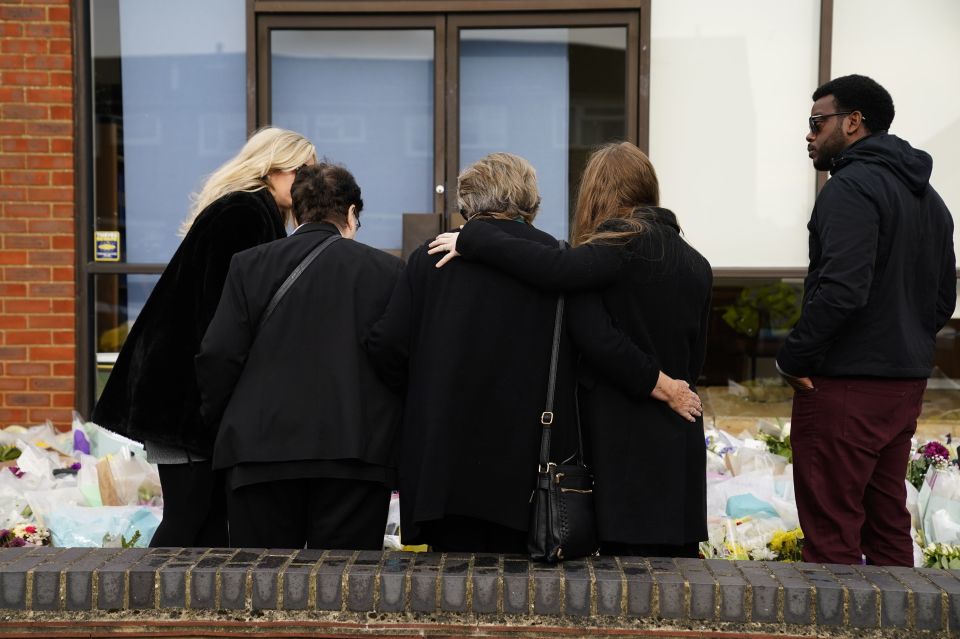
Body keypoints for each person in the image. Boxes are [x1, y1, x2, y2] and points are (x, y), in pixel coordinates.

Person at [428, 142, 711, 557]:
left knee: (625, 591)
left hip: (624, 448)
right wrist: (670, 386)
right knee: (676, 592)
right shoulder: (696, 262)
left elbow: (580, 309)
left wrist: (475, 238)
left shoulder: (617, 244)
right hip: (679, 448)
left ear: (598, 193)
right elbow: (697, 357)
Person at [92, 127, 316, 547]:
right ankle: (142, 607)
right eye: (302, 172)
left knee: (208, 525)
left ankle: (185, 611)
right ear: (272, 168)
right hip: (185, 401)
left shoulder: (249, 211)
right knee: (188, 520)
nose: (309, 185)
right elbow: (224, 313)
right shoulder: (245, 214)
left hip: (186, 397)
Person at [776, 74, 956, 566]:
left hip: (844, 390)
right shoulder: (932, 201)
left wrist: (793, 357)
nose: (809, 134)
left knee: (831, 538)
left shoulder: (849, 189)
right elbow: (943, 300)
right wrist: (905, 341)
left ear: (853, 122)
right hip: (902, 387)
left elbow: (842, 290)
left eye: (818, 122)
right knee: (887, 528)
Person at [196, 163, 404, 550]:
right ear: (352, 213)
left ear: (295, 210)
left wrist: (225, 424)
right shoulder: (387, 271)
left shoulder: (249, 264)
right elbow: (398, 357)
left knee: (262, 590)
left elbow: (218, 354)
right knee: (345, 591)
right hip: (356, 454)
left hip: (260, 454)